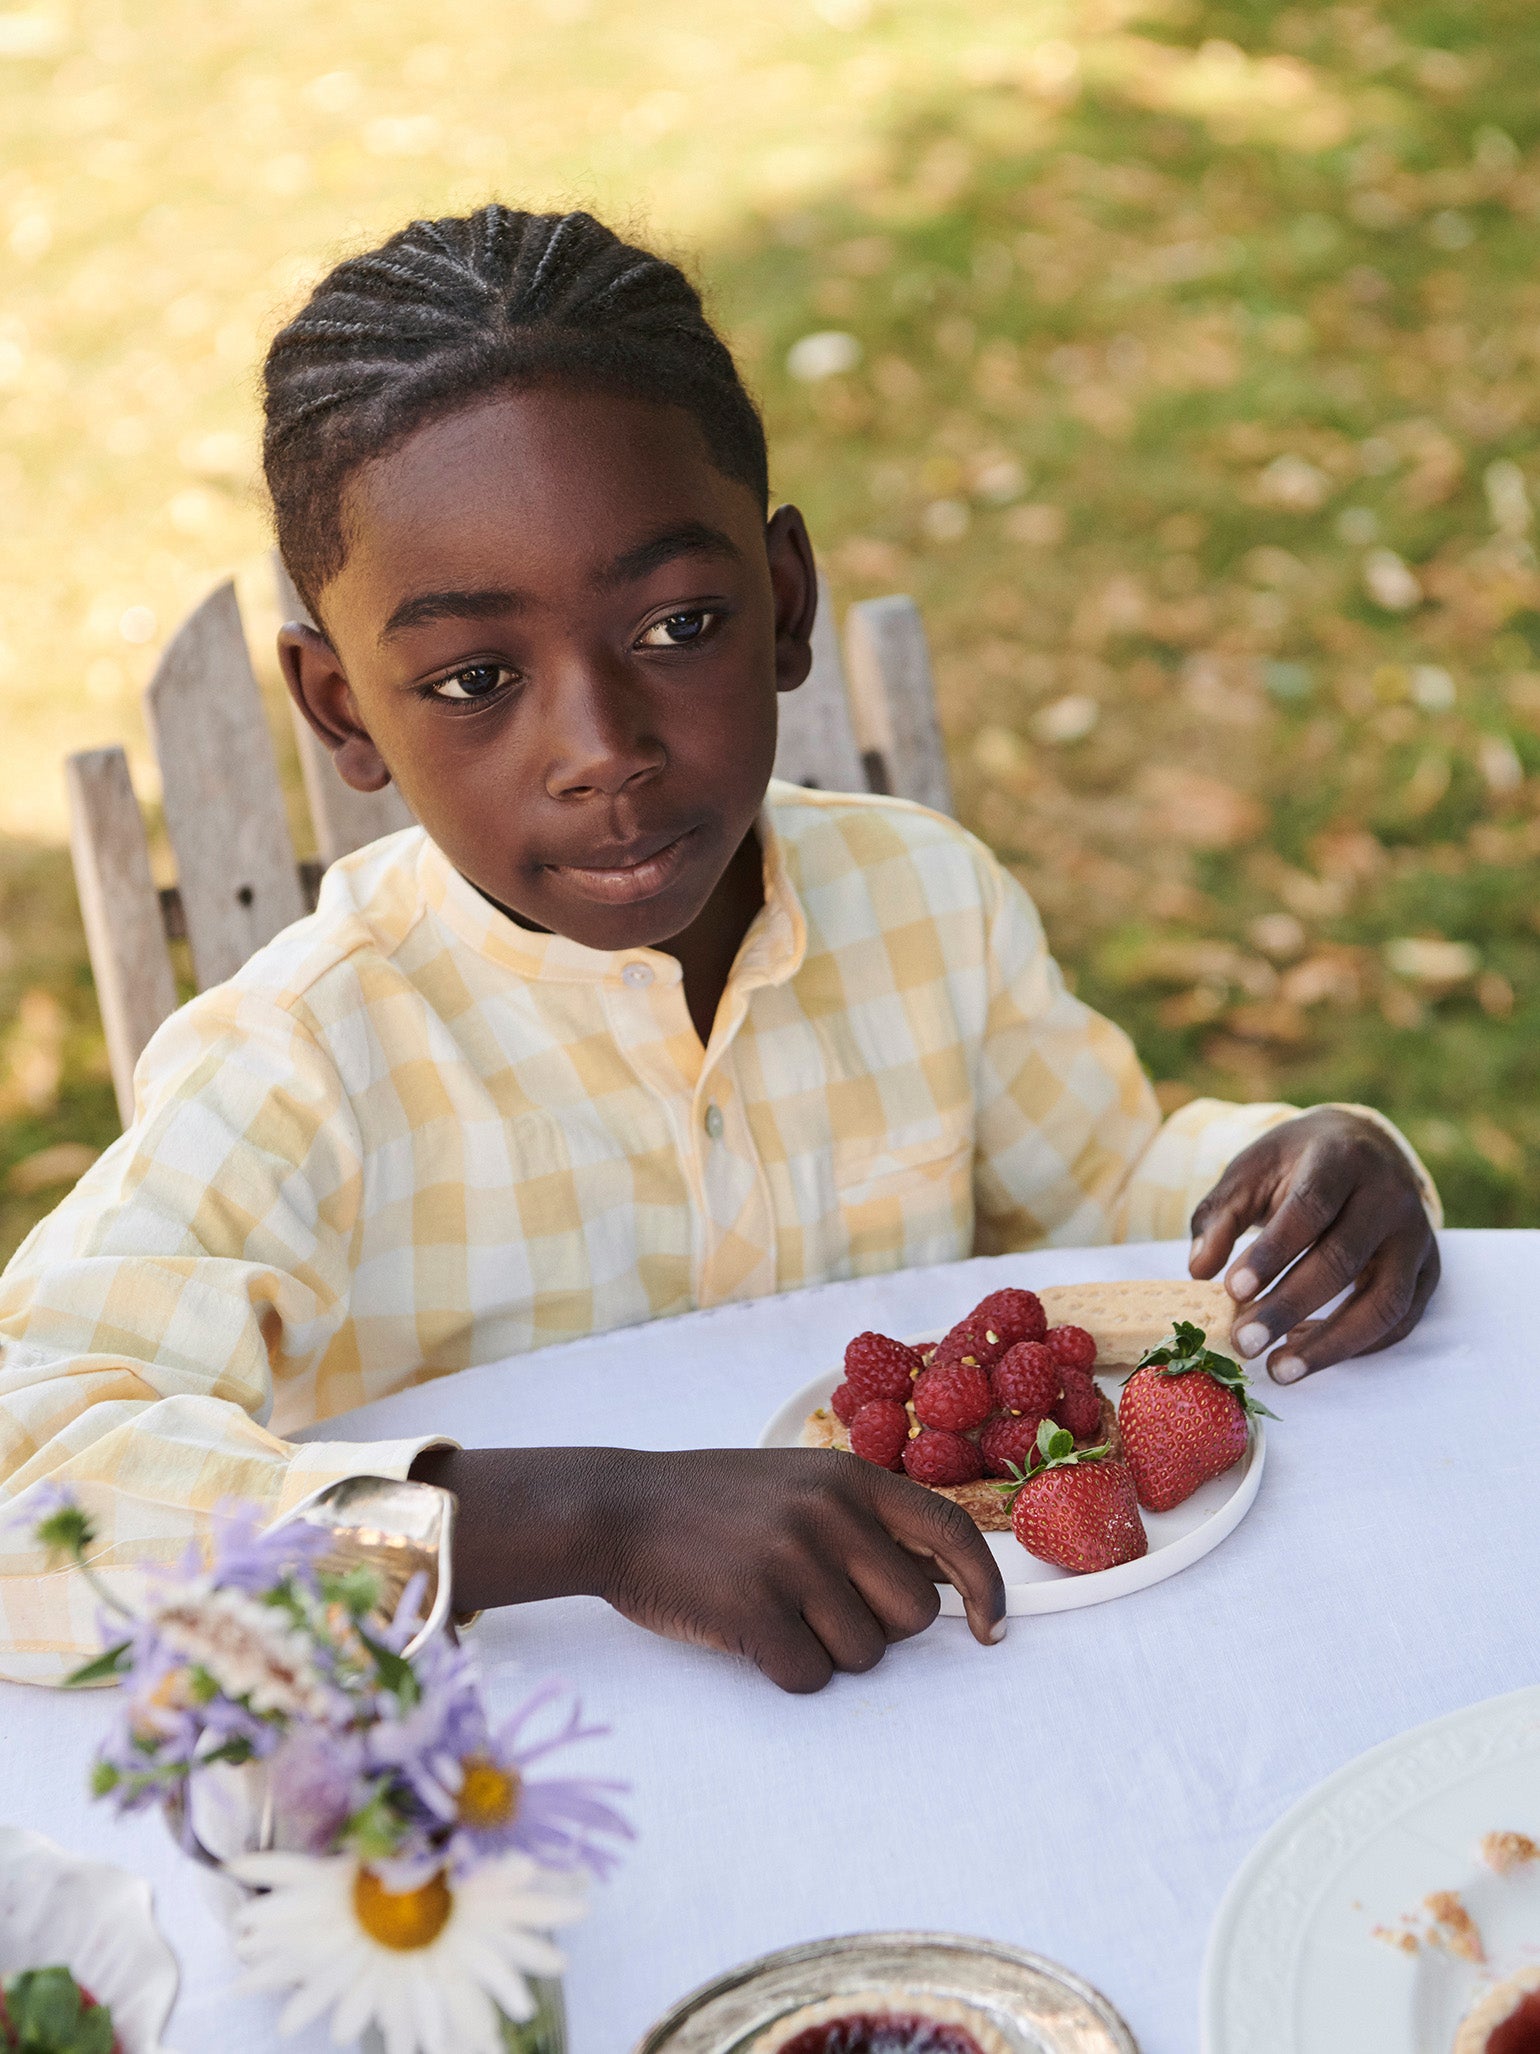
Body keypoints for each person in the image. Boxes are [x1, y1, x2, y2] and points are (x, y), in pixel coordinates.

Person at [0, 206, 1440, 1694]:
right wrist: (583, 1519)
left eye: (679, 624)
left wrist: (1303, 1164)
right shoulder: (307, 1059)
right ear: (345, 711)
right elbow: (29, 1498)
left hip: (964, 1707)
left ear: (787, 606)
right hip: (533, 1807)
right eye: (477, 677)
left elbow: (1121, 1199)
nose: (602, 748)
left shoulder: (923, 905)